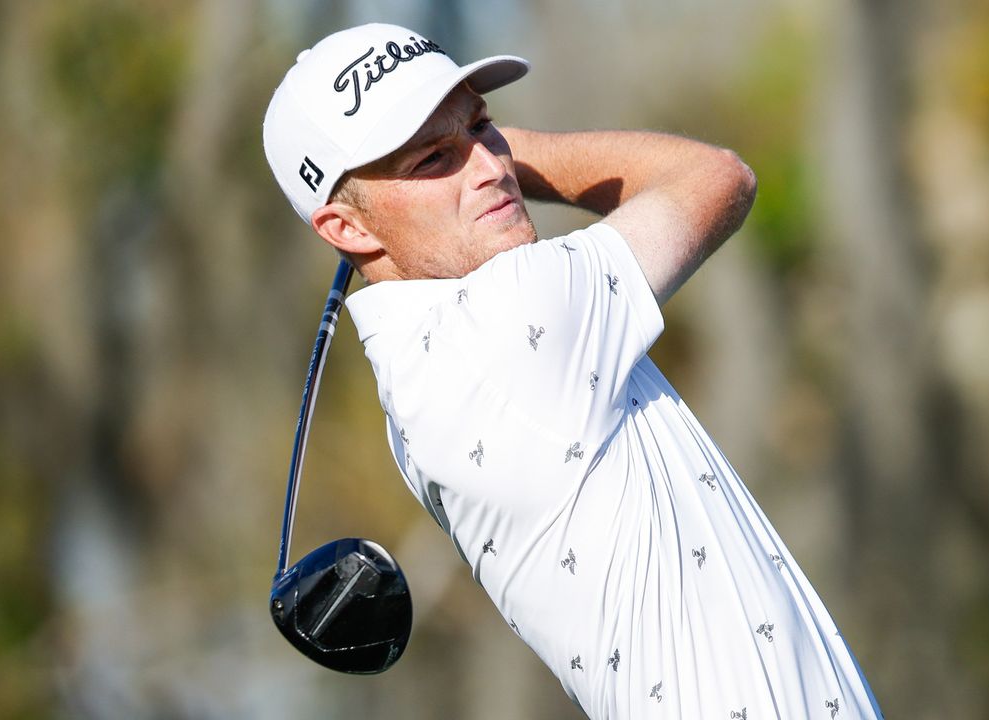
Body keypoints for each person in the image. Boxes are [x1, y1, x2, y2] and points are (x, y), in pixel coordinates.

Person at [263, 22, 883, 719]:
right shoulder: (510, 317)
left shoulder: (415, 385)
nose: (490, 166)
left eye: (483, 126)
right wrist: (514, 148)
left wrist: (458, 149)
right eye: (433, 157)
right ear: (346, 231)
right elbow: (718, 178)